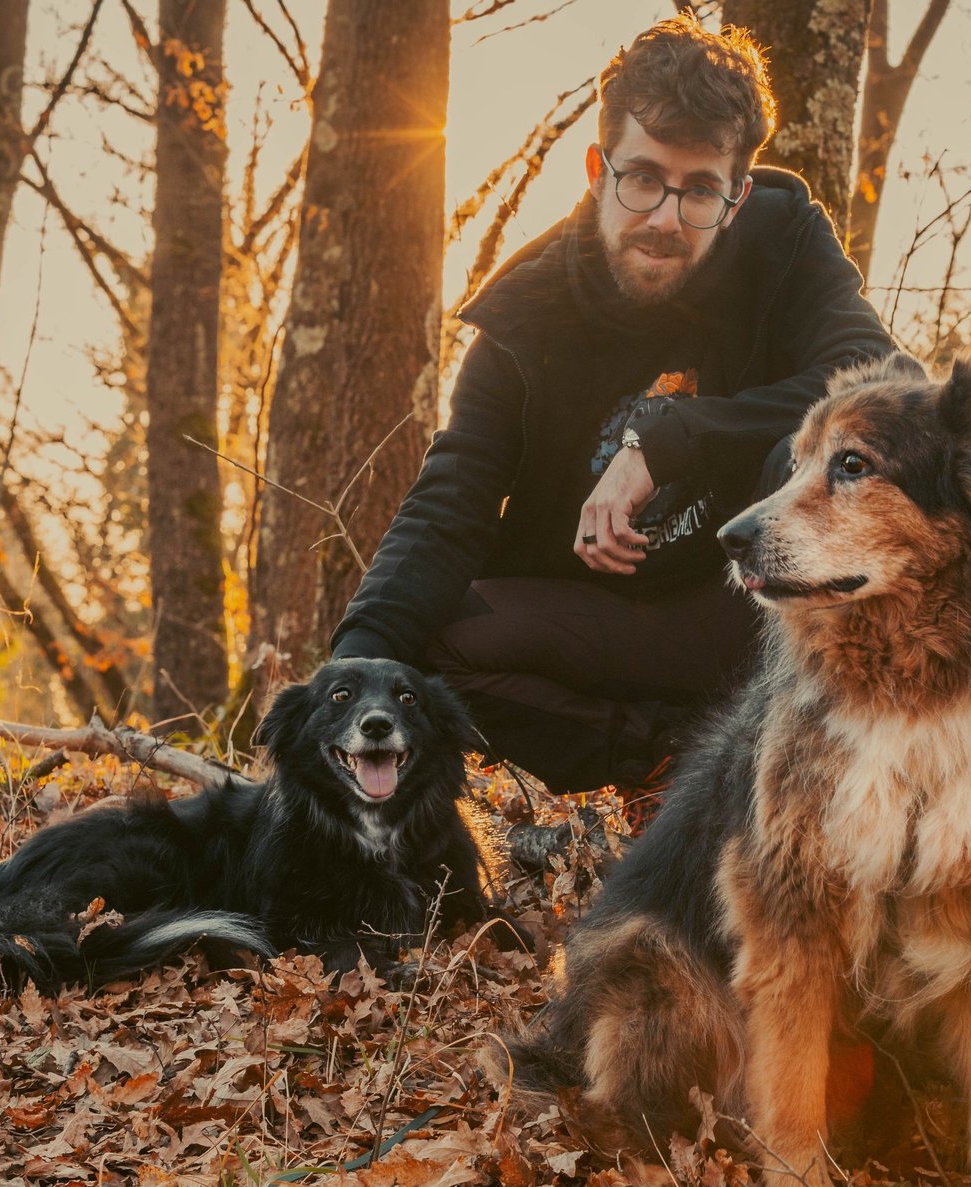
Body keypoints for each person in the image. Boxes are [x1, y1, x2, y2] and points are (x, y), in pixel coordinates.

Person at [329, 15, 894, 796]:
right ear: (599, 169)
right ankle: (664, 759)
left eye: (700, 191)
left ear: (736, 198)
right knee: (418, 661)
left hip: (754, 611)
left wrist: (668, 438)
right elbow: (451, 498)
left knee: (822, 460)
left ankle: (816, 755)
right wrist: (350, 667)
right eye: (643, 179)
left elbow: (883, 380)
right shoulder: (525, 316)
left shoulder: (783, 240)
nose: (665, 218)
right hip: (591, 624)